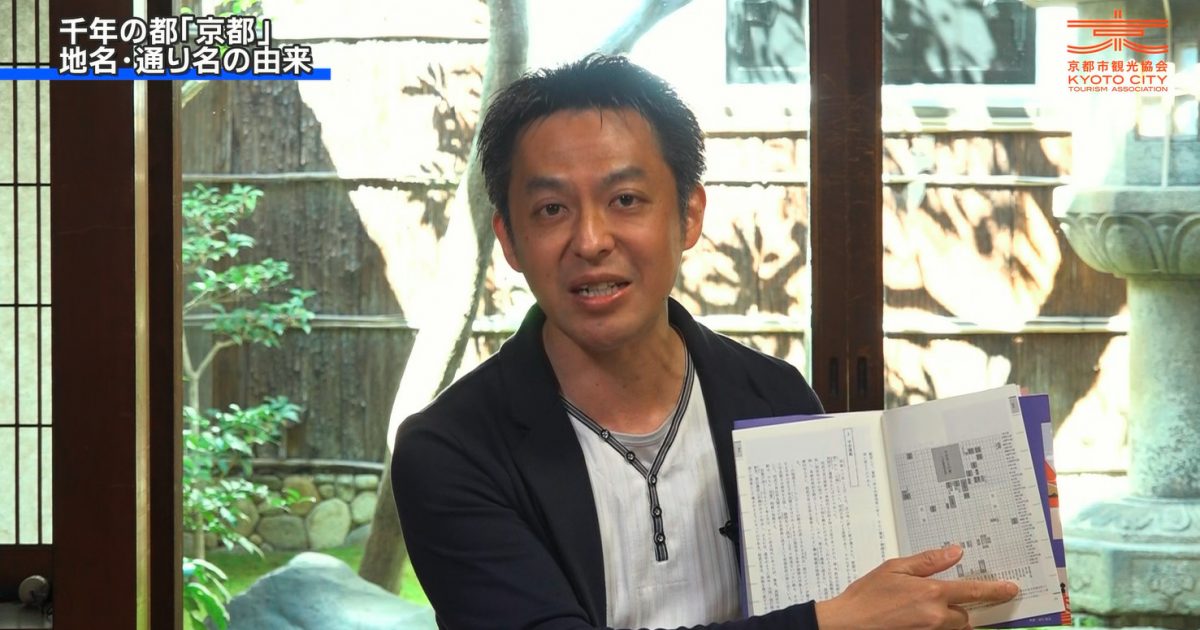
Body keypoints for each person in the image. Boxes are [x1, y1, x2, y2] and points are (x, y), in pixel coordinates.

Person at [391, 53, 1018, 630]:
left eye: (625, 199)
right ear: (509, 240)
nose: (591, 240)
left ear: (688, 215)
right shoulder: (449, 451)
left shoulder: (773, 396)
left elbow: (846, 596)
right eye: (552, 209)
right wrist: (825, 624)